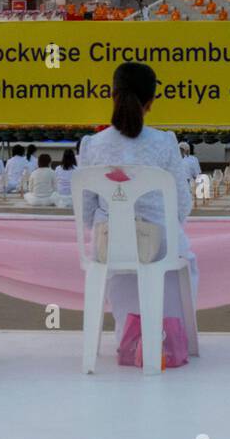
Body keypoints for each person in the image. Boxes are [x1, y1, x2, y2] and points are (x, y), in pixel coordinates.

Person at [77, 62, 197, 338]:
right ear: (151, 102)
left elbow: (84, 211)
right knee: (180, 254)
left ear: (112, 95)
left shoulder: (91, 145)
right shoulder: (166, 143)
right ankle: (170, 338)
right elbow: (182, 206)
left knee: (117, 261)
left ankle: (129, 337)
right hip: (160, 246)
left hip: (111, 247)